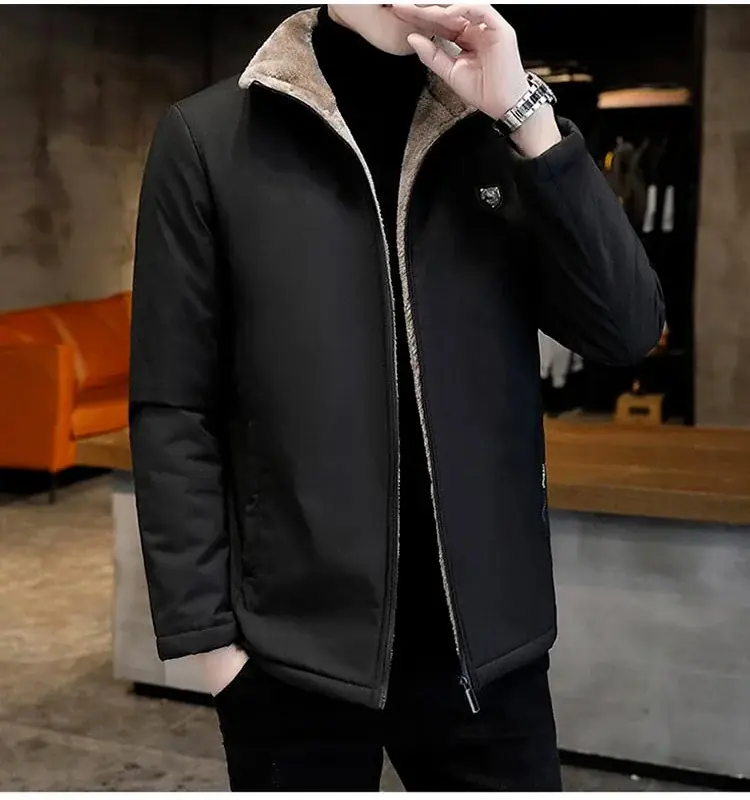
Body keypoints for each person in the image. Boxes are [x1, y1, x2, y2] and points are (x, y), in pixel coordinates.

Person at [130, 4, 665, 792]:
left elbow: (626, 328)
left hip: (487, 656)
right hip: (293, 657)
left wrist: (527, 116)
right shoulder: (210, 138)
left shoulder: (495, 128)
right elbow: (175, 406)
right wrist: (212, 648)